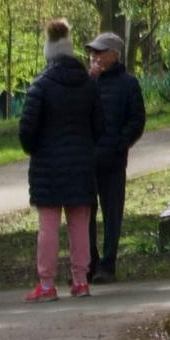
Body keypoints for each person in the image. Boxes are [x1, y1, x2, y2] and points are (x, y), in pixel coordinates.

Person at [17, 20, 100, 300]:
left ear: (48, 50)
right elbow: (100, 125)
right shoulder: (88, 84)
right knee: (80, 224)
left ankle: (47, 283)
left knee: (48, 227)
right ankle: (80, 279)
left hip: (48, 167)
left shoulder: (40, 86)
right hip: (81, 164)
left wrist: (34, 148)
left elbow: (27, 130)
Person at [86, 30, 144, 283]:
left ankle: (108, 265)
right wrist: (88, 81)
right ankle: (89, 262)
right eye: (92, 51)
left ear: (114, 54)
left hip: (113, 159)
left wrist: (121, 143)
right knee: (85, 215)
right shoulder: (87, 82)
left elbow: (137, 120)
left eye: (99, 51)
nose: (93, 56)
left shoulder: (129, 84)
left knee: (112, 215)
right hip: (87, 159)